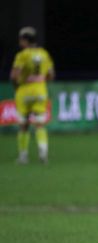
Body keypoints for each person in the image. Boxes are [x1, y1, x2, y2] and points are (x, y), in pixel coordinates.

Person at [10, 27, 55, 164]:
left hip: (24, 90)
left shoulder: (22, 55)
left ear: (25, 40)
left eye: (21, 40)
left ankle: (23, 156)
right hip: (40, 90)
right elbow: (51, 74)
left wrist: (17, 87)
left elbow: (14, 75)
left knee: (23, 125)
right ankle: (43, 153)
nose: (19, 43)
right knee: (40, 124)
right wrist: (41, 81)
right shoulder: (44, 54)